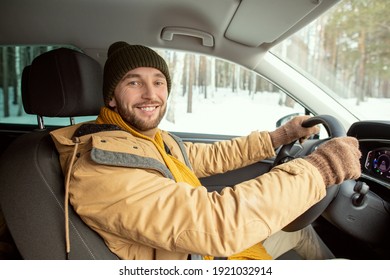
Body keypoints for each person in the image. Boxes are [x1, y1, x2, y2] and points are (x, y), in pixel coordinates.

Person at [50, 42, 361, 260]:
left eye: (158, 82)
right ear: (112, 98)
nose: (151, 94)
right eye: (134, 83)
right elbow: (216, 224)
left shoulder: (147, 140)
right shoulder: (100, 164)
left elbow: (209, 157)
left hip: (200, 250)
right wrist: (320, 168)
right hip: (198, 259)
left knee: (300, 232)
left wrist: (281, 136)